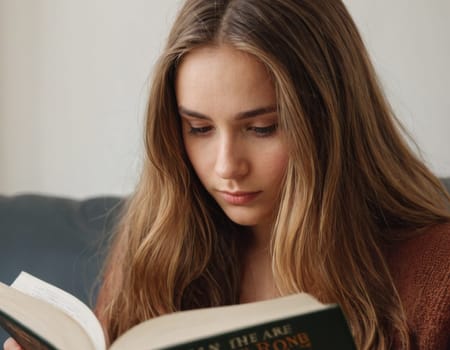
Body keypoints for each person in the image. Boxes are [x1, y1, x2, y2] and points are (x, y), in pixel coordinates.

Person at [4, 1, 450, 349]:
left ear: (330, 123)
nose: (225, 167)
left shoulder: (435, 274)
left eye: (262, 128)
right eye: (198, 128)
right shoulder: (155, 248)